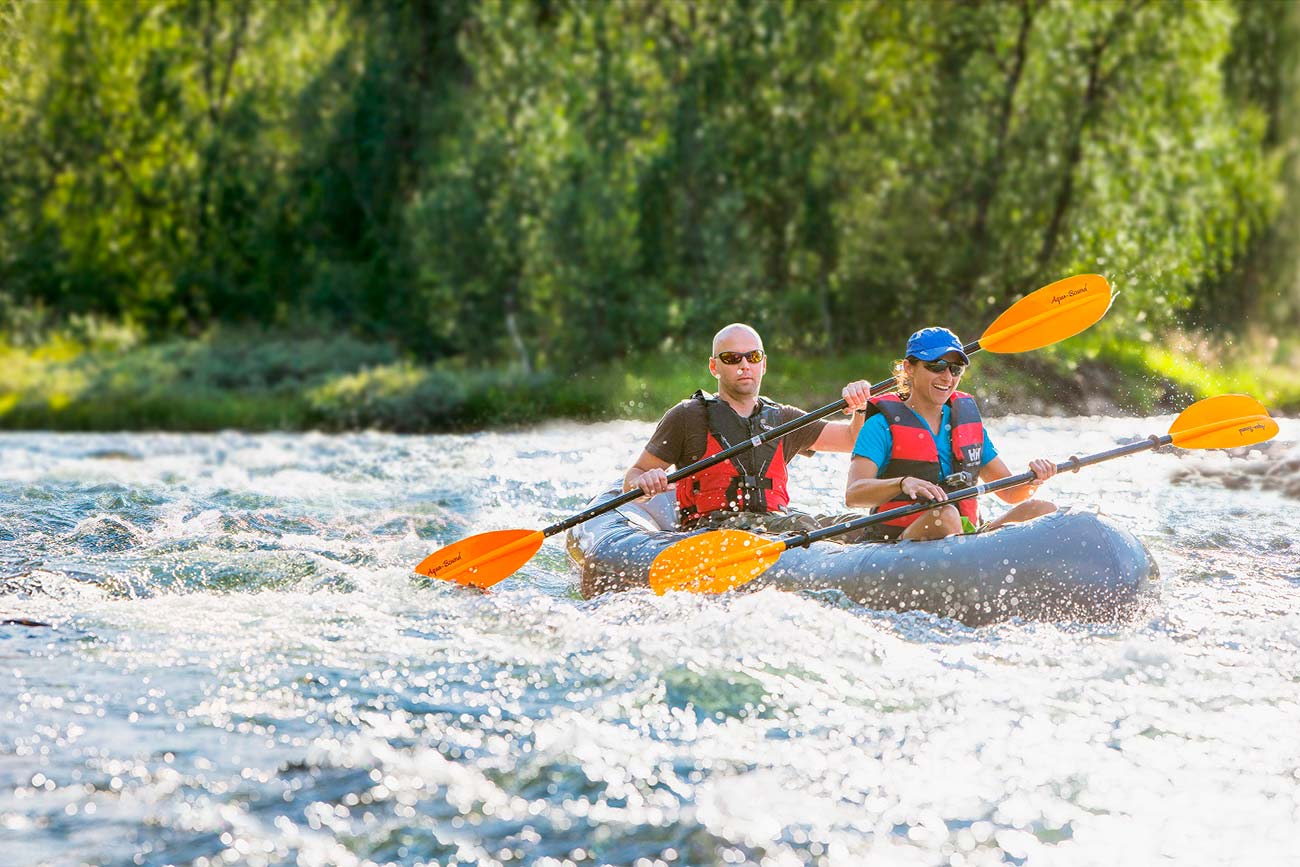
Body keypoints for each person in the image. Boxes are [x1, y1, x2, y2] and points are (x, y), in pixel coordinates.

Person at [623, 323, 872, 535]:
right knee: (803, 524)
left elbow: (852, 439)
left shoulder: (784, 418)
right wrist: (644, 482)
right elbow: (633, 479)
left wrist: (861, 406)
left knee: (857, 525)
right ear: (714, 367)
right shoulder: (687, 416)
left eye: (752, 357)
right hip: (712, 531)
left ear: (763, 364)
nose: (744, 365)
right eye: (732, 358)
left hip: (776, 527)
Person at [845, 326, 1057, 541]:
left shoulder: (965, 424)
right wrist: (902, 483)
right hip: (899, 543)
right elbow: (854, 494)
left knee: (1041, 509)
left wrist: (1033, 479)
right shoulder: (881, 426)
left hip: (966, 539)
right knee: (945, 516)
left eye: (955, 369)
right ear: (909, 368)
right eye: (937, 366)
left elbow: (1011, 493)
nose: (947, 377)